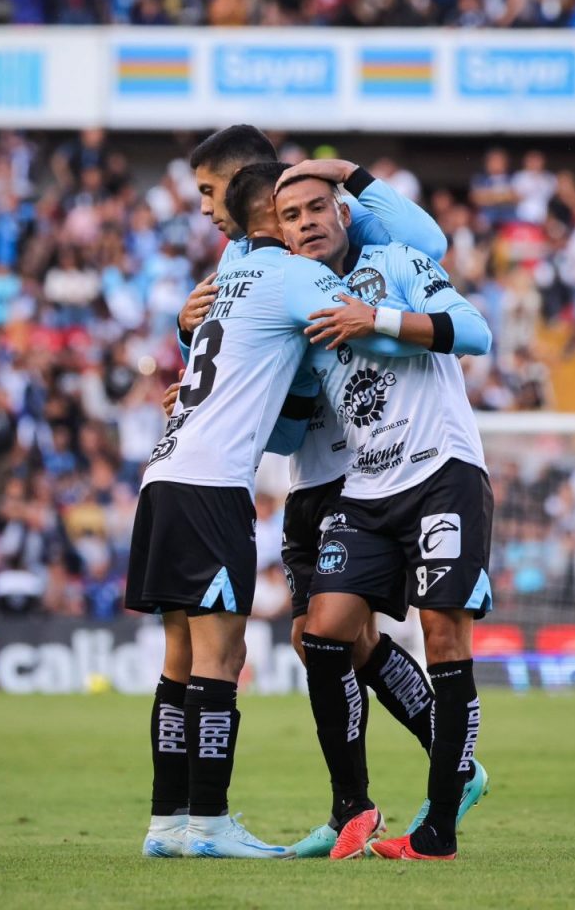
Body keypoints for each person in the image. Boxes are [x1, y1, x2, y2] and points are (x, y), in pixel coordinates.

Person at [128, 141, 435, 861]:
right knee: (222, 654)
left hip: (169, 468)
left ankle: (167, 823)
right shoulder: (288, 273)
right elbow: (367, 330)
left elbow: (237, 360)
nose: (206, 209)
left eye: (210, 194)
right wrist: (419, 323)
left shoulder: (229, 277)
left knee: (192, 654)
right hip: (216, 482)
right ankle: (207, 823)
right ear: (274, 208)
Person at [267, 165, 493, 861]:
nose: (305, 222)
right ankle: (352, 808)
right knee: (322, 634)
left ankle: (437, 833)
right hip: (364, 489)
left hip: (441, 470)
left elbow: (475, 332)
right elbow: (291, 424)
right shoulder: (300, 309)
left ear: (341, 215)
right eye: (291, 216)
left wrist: (378, 319)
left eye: (316, 208)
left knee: (444, 637)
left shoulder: (394, 261)